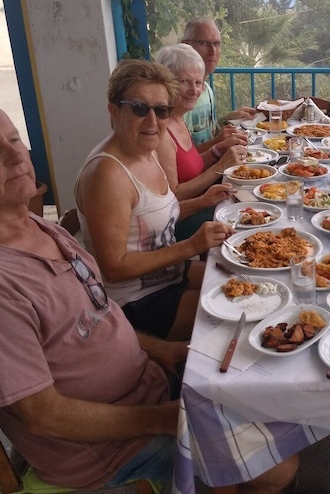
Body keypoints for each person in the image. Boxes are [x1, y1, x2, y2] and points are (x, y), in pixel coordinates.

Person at [0, 100, 298, 492]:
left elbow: (93, 315)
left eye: (15, 139)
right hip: (102, 448)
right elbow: (42, 414)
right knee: (278, 465)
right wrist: (162, 418)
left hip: (145, 383)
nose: (17, 155)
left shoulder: (33, 225)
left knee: (265, 387)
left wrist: (161, 350)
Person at [74, 59, 232, 346]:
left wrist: (202, 202)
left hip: (168, 275)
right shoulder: (107, 174)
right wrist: (191, 246)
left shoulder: (146, 152)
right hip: (136, 302)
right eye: (139, 108)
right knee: (235, 314)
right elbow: (114, 266)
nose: (152, 120)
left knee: (247, 282)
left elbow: (152, 220)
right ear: (114, 111)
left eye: (161, 110)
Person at [154, 44, 249, 241]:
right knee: (249, 222)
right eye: (184, 82)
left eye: (198, 83)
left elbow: (191, 165)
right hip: (177, 223)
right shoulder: (162, 132)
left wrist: (218, 149)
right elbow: (174, 196)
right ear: (165, 83)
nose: (194, 90)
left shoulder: (178, 118)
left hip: (199, 202)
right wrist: (221, 166)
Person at [181, 16, 255, 150]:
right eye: (203, 43)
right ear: (186, 45)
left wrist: (227, 120)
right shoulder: (180, 96)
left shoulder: (207, 89)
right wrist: (217, 145)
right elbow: (182, 160)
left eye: (216, 44)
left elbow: (211, 135)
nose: (213, 51)